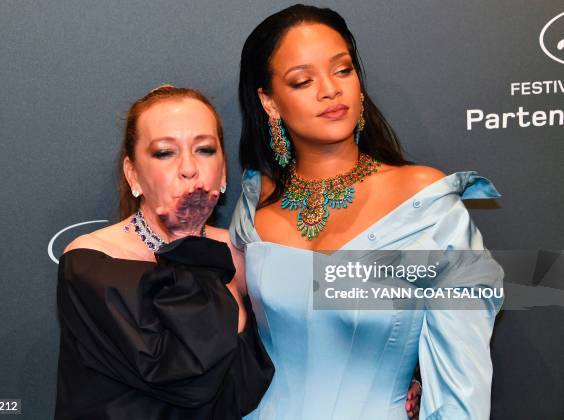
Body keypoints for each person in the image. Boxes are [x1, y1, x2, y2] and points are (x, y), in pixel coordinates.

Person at [230, 4, 503, 419]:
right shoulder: (253, 207)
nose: (330, 89)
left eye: (342, 70)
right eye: (303, 80)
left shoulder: (425, 202)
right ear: (269, 102)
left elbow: (462, 380)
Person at [55, 85, 273, 419]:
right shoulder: (91, 263)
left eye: (204, 149)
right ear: (133, 174)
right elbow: (187, 376)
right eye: (164, 153)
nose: (189, 168)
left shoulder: (249, 252)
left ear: (224, 170)